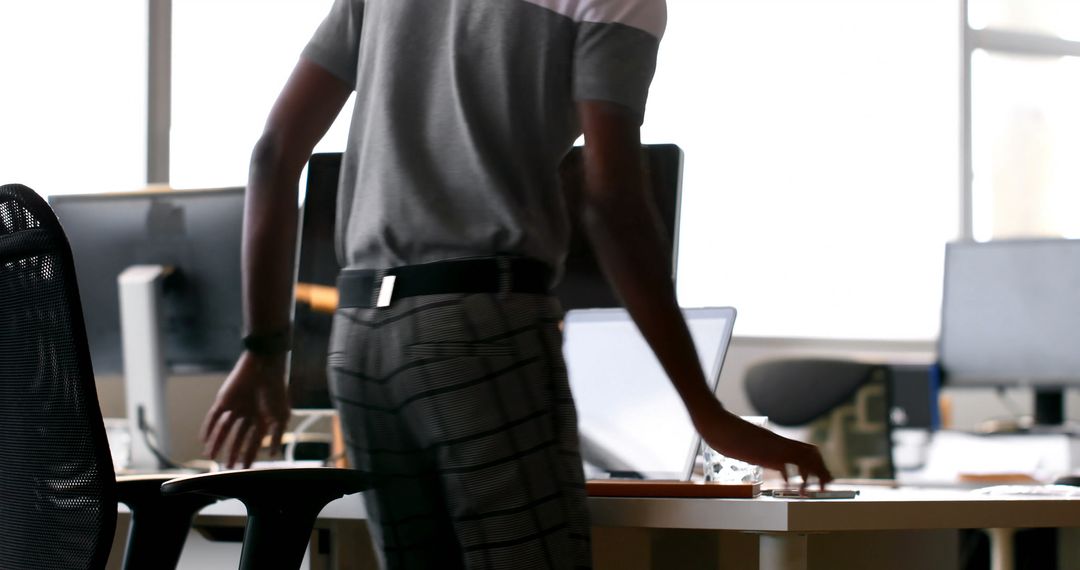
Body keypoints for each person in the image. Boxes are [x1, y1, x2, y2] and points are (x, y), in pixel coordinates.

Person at [201, 0, 833, 567]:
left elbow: (274, 152)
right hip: (476, 330)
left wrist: (263, 349)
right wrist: (706, 410)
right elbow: (612, 201)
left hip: (359, 338)